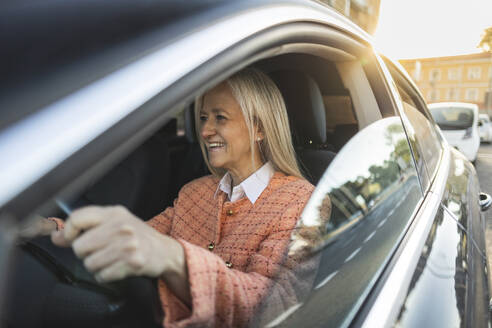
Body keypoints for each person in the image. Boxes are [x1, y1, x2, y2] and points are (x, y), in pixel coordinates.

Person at [30, 68, 324, 327]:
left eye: (220, 118)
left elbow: (276, 307)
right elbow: (135, 236)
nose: (206, 131)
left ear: (259, 128)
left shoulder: (301, 201)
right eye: (204, 118)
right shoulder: (194, 192)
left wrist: (174, 259)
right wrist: (52, 228)